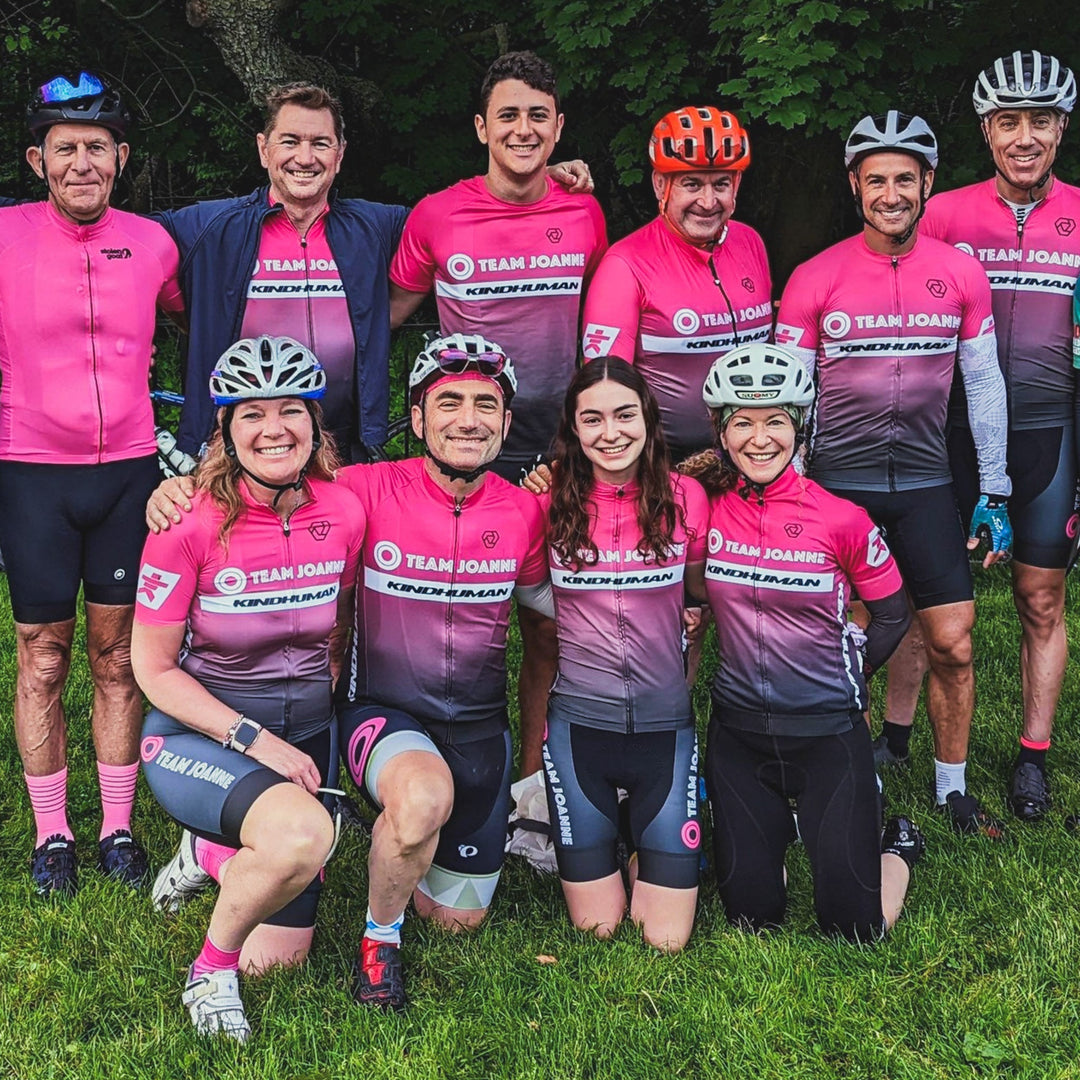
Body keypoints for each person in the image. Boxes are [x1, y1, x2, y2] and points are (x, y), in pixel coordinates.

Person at [145, 333, 553, 1012]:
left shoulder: (524, 510)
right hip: (383, 717)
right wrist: (180, 486)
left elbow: (552, 612)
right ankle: (377, 943)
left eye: (487, 404)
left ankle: (224, 853)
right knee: (283, 949)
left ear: (509, 424)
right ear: (416, 419)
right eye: (447, 402)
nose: (469, 418)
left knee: (456, 919)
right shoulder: (364, 491)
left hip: (480, 733)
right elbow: (265, 477)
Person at [775, 111, 1011, 835]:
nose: (890, 193)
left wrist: (994, 489)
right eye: (876, 179)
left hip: (925, 485)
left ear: (926, 184)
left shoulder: (961, 271)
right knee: (840, 638)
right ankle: (816, 765)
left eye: (904, 179)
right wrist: (792, 491)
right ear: (856, 185)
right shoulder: (816, 277)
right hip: (838, 488)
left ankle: (951, 787)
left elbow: (985, 383)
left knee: (954, 639)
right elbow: (789, 399)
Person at [387, 51, 606, 824]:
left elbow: (601, 325)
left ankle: (536, 793)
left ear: (558, 128)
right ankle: (435, 778)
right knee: (459, 623)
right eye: (507, 115)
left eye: (537, 115)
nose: (522, 128)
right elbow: (388, 317)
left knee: (550, 624)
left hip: (559, 450)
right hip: (467, 448)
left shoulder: (585, 210)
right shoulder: (437, 214)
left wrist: (578, 441)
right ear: (482, 127)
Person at [132, 336, 364, 1041]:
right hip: (197, 735)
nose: (273, 429)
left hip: (302, 734)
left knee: (283, 962)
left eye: (291, 410)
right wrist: (251, 738)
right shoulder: (186, 524)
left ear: (315, 424)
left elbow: (341, 622)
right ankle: (208, 970)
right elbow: (153, 668)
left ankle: (208, 854)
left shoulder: (343, 510)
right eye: (251, 413)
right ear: (225, 433)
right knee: (301, 841)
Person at [0, 71, 184, 895]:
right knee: (43, 659)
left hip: (128, 476)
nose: (83, 164)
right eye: (66, 149)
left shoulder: (154, 242)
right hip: (33, 474)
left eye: (98, 149)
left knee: (117, 658)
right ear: (38, 158)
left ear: (122, 158)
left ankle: (114, 827)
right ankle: (51, 836)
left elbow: (200, 299)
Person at [681, 343, 922, 940]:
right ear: (721, 430)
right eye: (742, 422)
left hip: (827, 736)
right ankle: (783, 842)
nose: (759, 439)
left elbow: (893, 615)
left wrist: (848, 673)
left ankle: (898, 847)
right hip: (738, 736)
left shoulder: (841, 518)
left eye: (775, 422)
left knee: (855, 930)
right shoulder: (703, 508)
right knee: (750, 921)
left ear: (801, 426)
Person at [911, 51, 1079, 822]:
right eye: (1008, 121)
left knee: (1040, 597)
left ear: (1060, 128)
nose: (1024, 137)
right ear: (986, 130)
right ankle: (894, 732)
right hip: (948, 428)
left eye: (1038, 121)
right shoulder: (940, 212)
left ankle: (1032, 759)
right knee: (926, 586)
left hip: (1049, 428)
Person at [538, 358, 707, 951]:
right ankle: (617, 838)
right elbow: (529, 591)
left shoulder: (687, 498)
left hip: (666, 728)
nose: (610, 432)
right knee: (598, 929)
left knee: (665, 941)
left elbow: (698, 600)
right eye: (593, 419)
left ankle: (644, 839)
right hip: (580, 731)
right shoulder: (547, 498)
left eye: (624, 414)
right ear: (574, 430)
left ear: (649, 418)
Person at [153, 82, 407, 462]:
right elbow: (124, 247)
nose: (304, 158)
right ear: (263, 149)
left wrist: (378, 323)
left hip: (346, 447)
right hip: (242, 450)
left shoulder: (376, 225)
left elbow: (449, 236)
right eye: (289, 141)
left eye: (320, 143)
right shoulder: (208, 226)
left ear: (340, 155)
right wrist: (138, 336)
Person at [581, 105, 773, 462]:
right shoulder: (624, 265)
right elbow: (603, 389)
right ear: (660, 184)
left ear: (737, 186)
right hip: (665, 463)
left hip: (756, 455)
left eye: (721, 184)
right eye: (691, 184)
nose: (708, 201)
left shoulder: (751, 243)